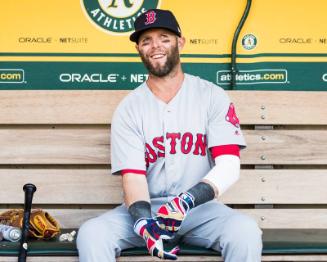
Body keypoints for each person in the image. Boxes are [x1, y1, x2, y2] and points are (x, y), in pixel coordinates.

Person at [77, 9, 262, 262]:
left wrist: (186, 201)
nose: (155, 46)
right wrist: (144, 222)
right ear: (139, 50)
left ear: (180, 42)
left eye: (164, 37)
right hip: (148, 208)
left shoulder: (211, 96)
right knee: (92, 234)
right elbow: (133, 179)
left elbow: (229, 165)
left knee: (245, 232)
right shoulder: (129, 108)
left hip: (200, 209)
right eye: (146, 40)